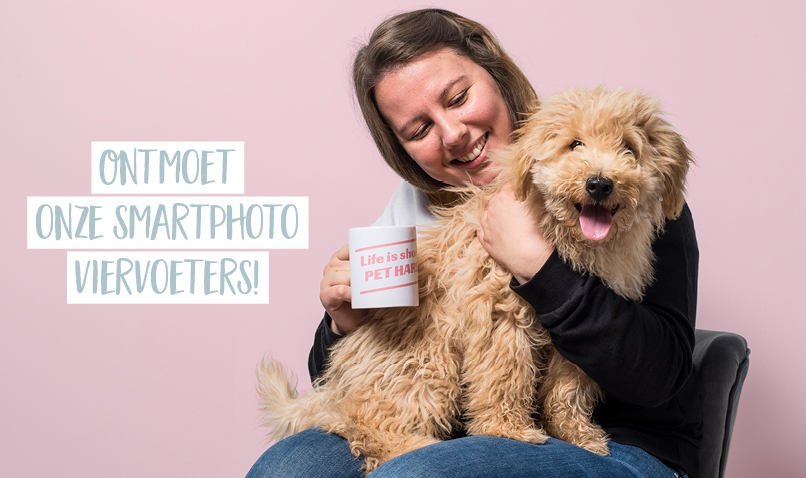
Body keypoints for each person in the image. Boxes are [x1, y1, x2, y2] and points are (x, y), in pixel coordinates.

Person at [247, 8, 699, 478]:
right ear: (401, 149)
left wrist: (538, 267)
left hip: (621, 444)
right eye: (419, 130)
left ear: (496, 73)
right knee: (286, 470)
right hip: (451, 429)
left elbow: (660, 375)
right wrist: (342, 322)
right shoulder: (414, 210)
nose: (453, 134)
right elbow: (355, 371)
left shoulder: (625, 194)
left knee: (415, 473)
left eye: (459, 97)